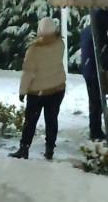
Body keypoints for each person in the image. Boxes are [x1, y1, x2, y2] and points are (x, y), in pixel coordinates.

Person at [10, 17, 67, 160]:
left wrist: (22, 91)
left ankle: (24, 148)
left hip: (38, 92)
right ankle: (49, 150)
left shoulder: (34, 50)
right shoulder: (60, 44)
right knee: (52, 119)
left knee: (30, 121)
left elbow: (28, 73)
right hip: (57, 88)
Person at [80, 8, 108, 141]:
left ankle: (94, 128)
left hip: (87, 69)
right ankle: (95, 130)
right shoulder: (98, 33)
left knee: (93, 101)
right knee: (97, 102)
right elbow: (103, 54)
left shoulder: (87, 30)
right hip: (95, 71)